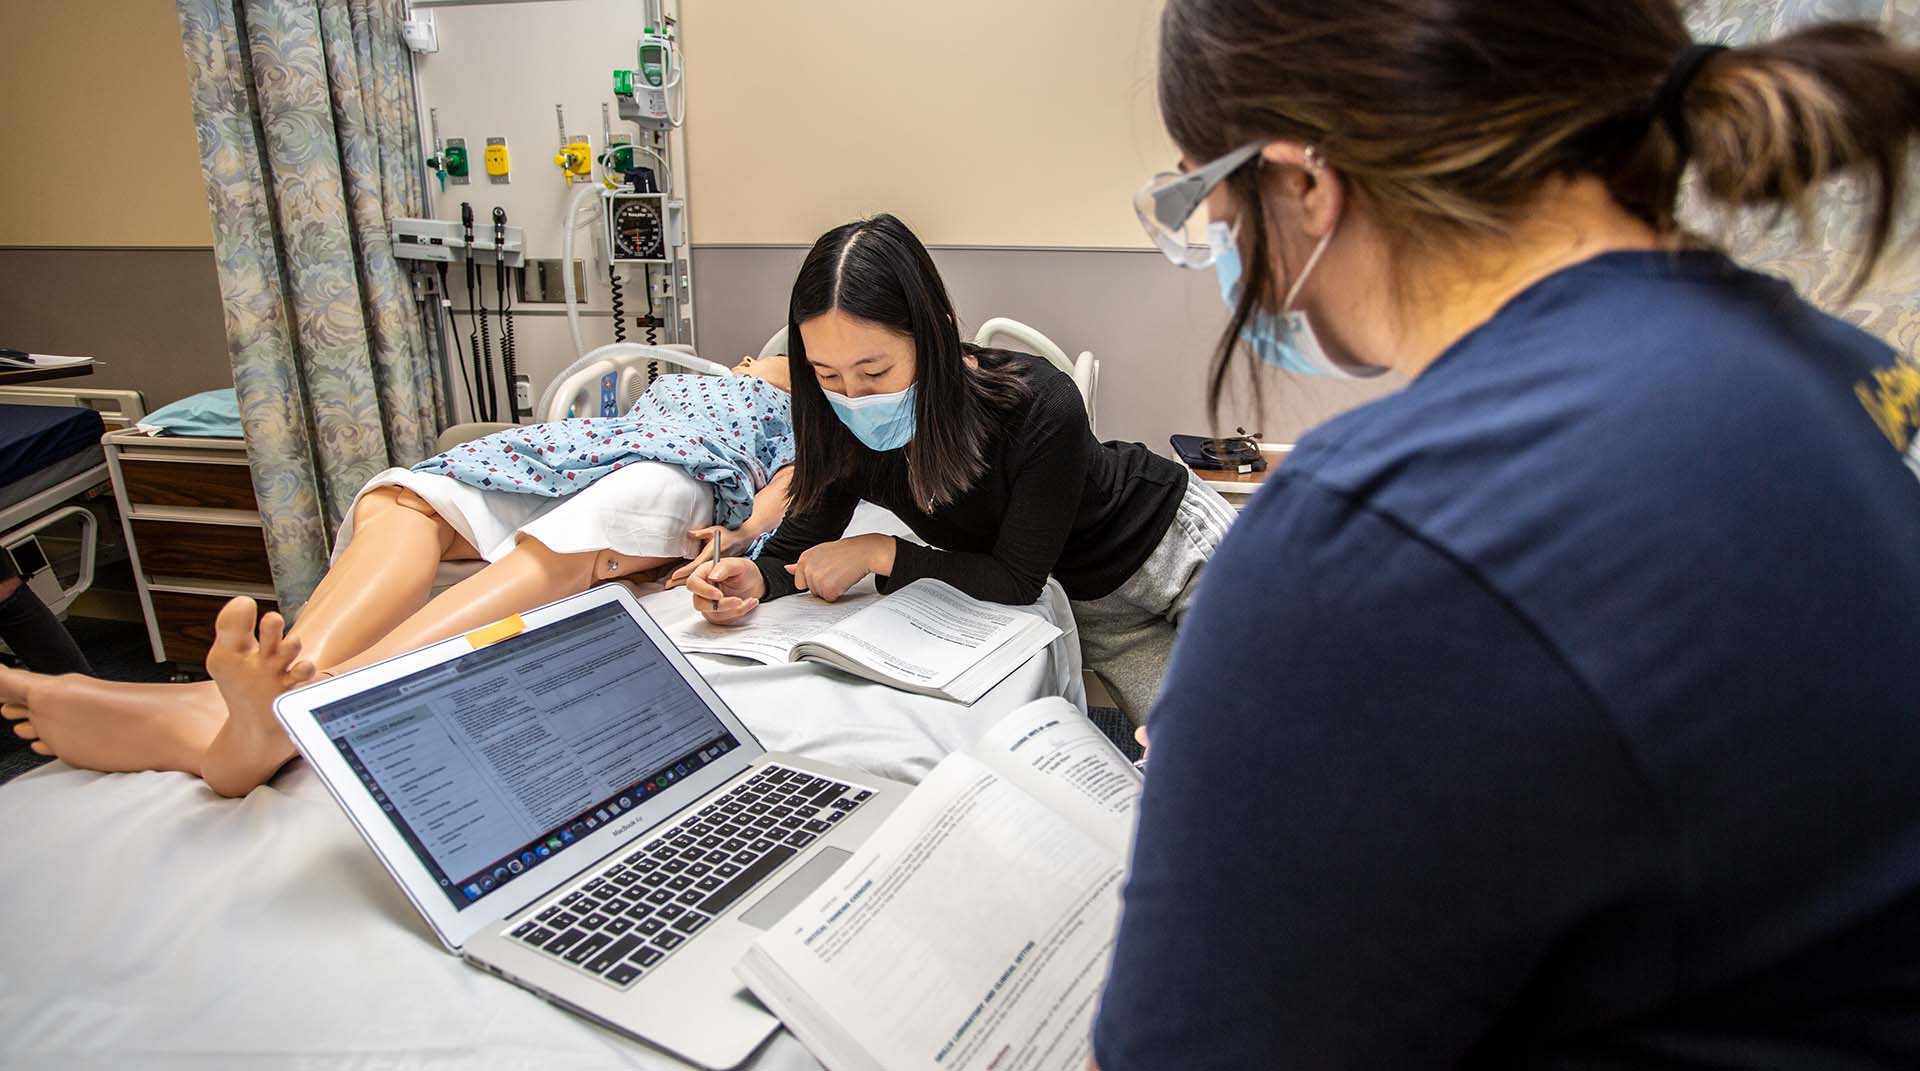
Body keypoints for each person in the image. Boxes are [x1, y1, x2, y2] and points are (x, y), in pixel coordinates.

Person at [1094, 2, 1920, 1067]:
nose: (1220, 245)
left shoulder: (1384, 535)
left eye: (1206, 198)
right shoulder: (1843, 367)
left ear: (1301, 185)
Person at [2, 355, 795, 797]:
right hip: (589, 446)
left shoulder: (816, 417)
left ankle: (305, 703)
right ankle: (282, 695)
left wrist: (734, 536)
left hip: (682, 475)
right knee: (409, 494)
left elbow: (772, 509)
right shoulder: (690, 375)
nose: (796, 369)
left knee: (610, 513)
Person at [684, 214, 1235, 723]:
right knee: (1186, 760)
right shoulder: (839, 424)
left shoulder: (1039, 403)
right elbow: (798, 549)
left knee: (1256, 749)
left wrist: (879, 551)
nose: (853, 397)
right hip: (1094, 613)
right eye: (826, 375)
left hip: (1176, 556)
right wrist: (754, 579)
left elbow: (1015, 579)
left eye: (874, 372)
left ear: (936, 335)